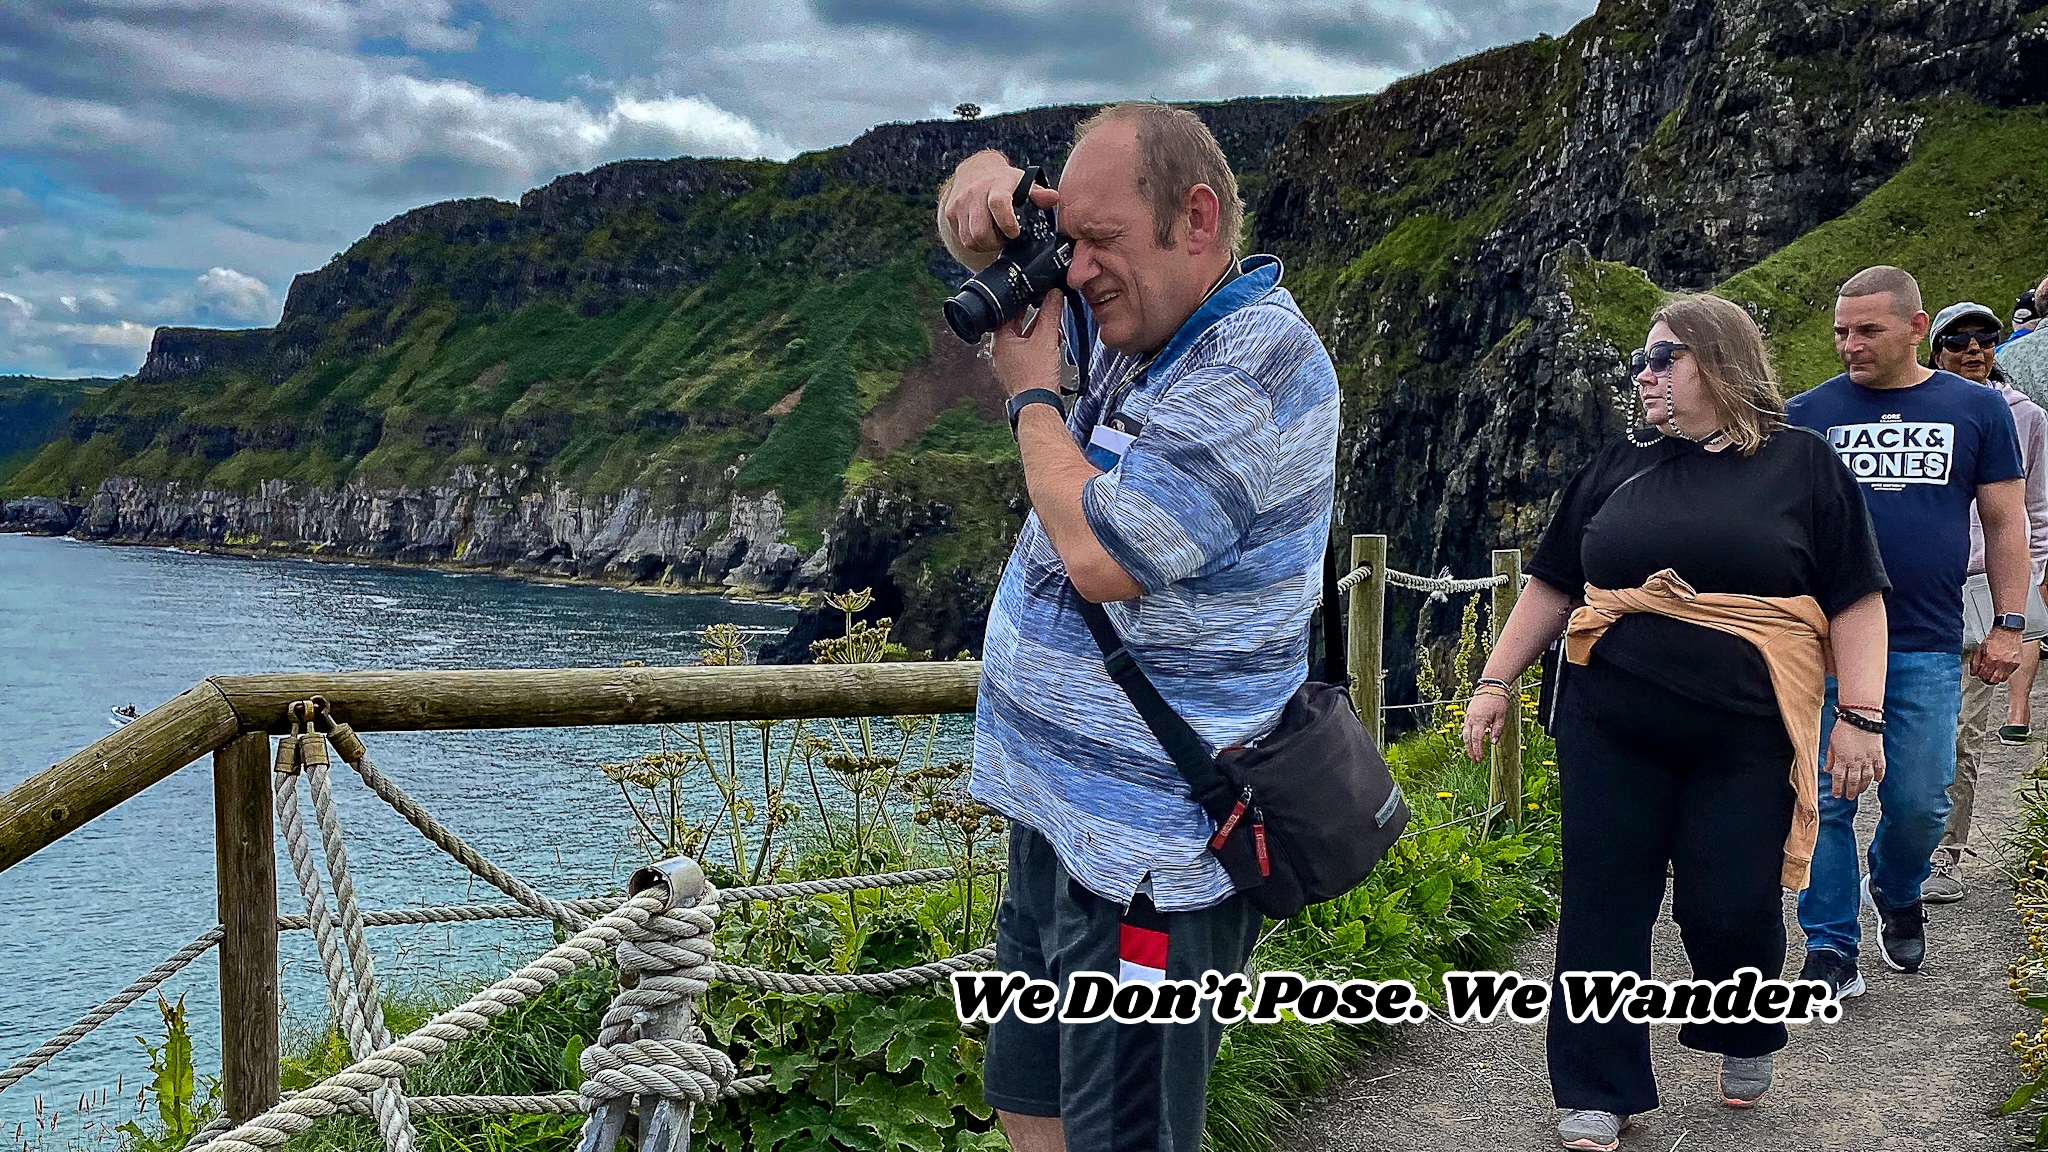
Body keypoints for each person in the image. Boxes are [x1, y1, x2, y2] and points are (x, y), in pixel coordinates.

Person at [937, 103, 1339, 1152]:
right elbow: (980, 244)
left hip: (1149, 865)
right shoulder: (1142, 328)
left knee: (1124, 1135)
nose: (1073, 272)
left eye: (1099, 242)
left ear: (1195, 220)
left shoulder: (1253, 365)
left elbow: (1101, 557)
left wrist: (1031, 400)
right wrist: (977, 180)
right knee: (1028, 1093)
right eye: (1067, 242)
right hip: (1061, 828)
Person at [1463, 293, 1890, 1151]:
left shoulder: (1802, 465)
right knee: (1602, 904)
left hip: (1745, 731)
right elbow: (1552, 582)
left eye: (1664, 359)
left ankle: (1744, 1022)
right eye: (1640, 362)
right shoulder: (1616, 466)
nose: (1644, 375)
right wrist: (1494, 680)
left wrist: (1863, 718)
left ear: (1720, 362)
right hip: (1608, 721)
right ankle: (1597, 1088)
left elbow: (1856, 597)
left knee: (1727, 903)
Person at [1784, 267, 2031, 993]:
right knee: (1824, 799)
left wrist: (2010, 625)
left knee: (1922, 800)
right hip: (1821, 642)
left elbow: (2005, 522)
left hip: (1925, 639)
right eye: (1840, 331)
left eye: (1867, 330)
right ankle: (1829, 946)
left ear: (1916, 327)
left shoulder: (1975, 410)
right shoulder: (1808, 414)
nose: (1849, 344)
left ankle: (1895, 887)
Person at [1923, 302, 2048, 903]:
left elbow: (2038, 512)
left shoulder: (2028, 418)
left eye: (1986, 338)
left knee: (1962, 729)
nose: (1973, 349)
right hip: (1913, 587)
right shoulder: (1916, 411)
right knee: (1900, 727)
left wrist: (2026, 590)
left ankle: (1945, 852)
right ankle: (1904, 843)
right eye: (1957, 340)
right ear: (1934, 347)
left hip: (1981, 587)